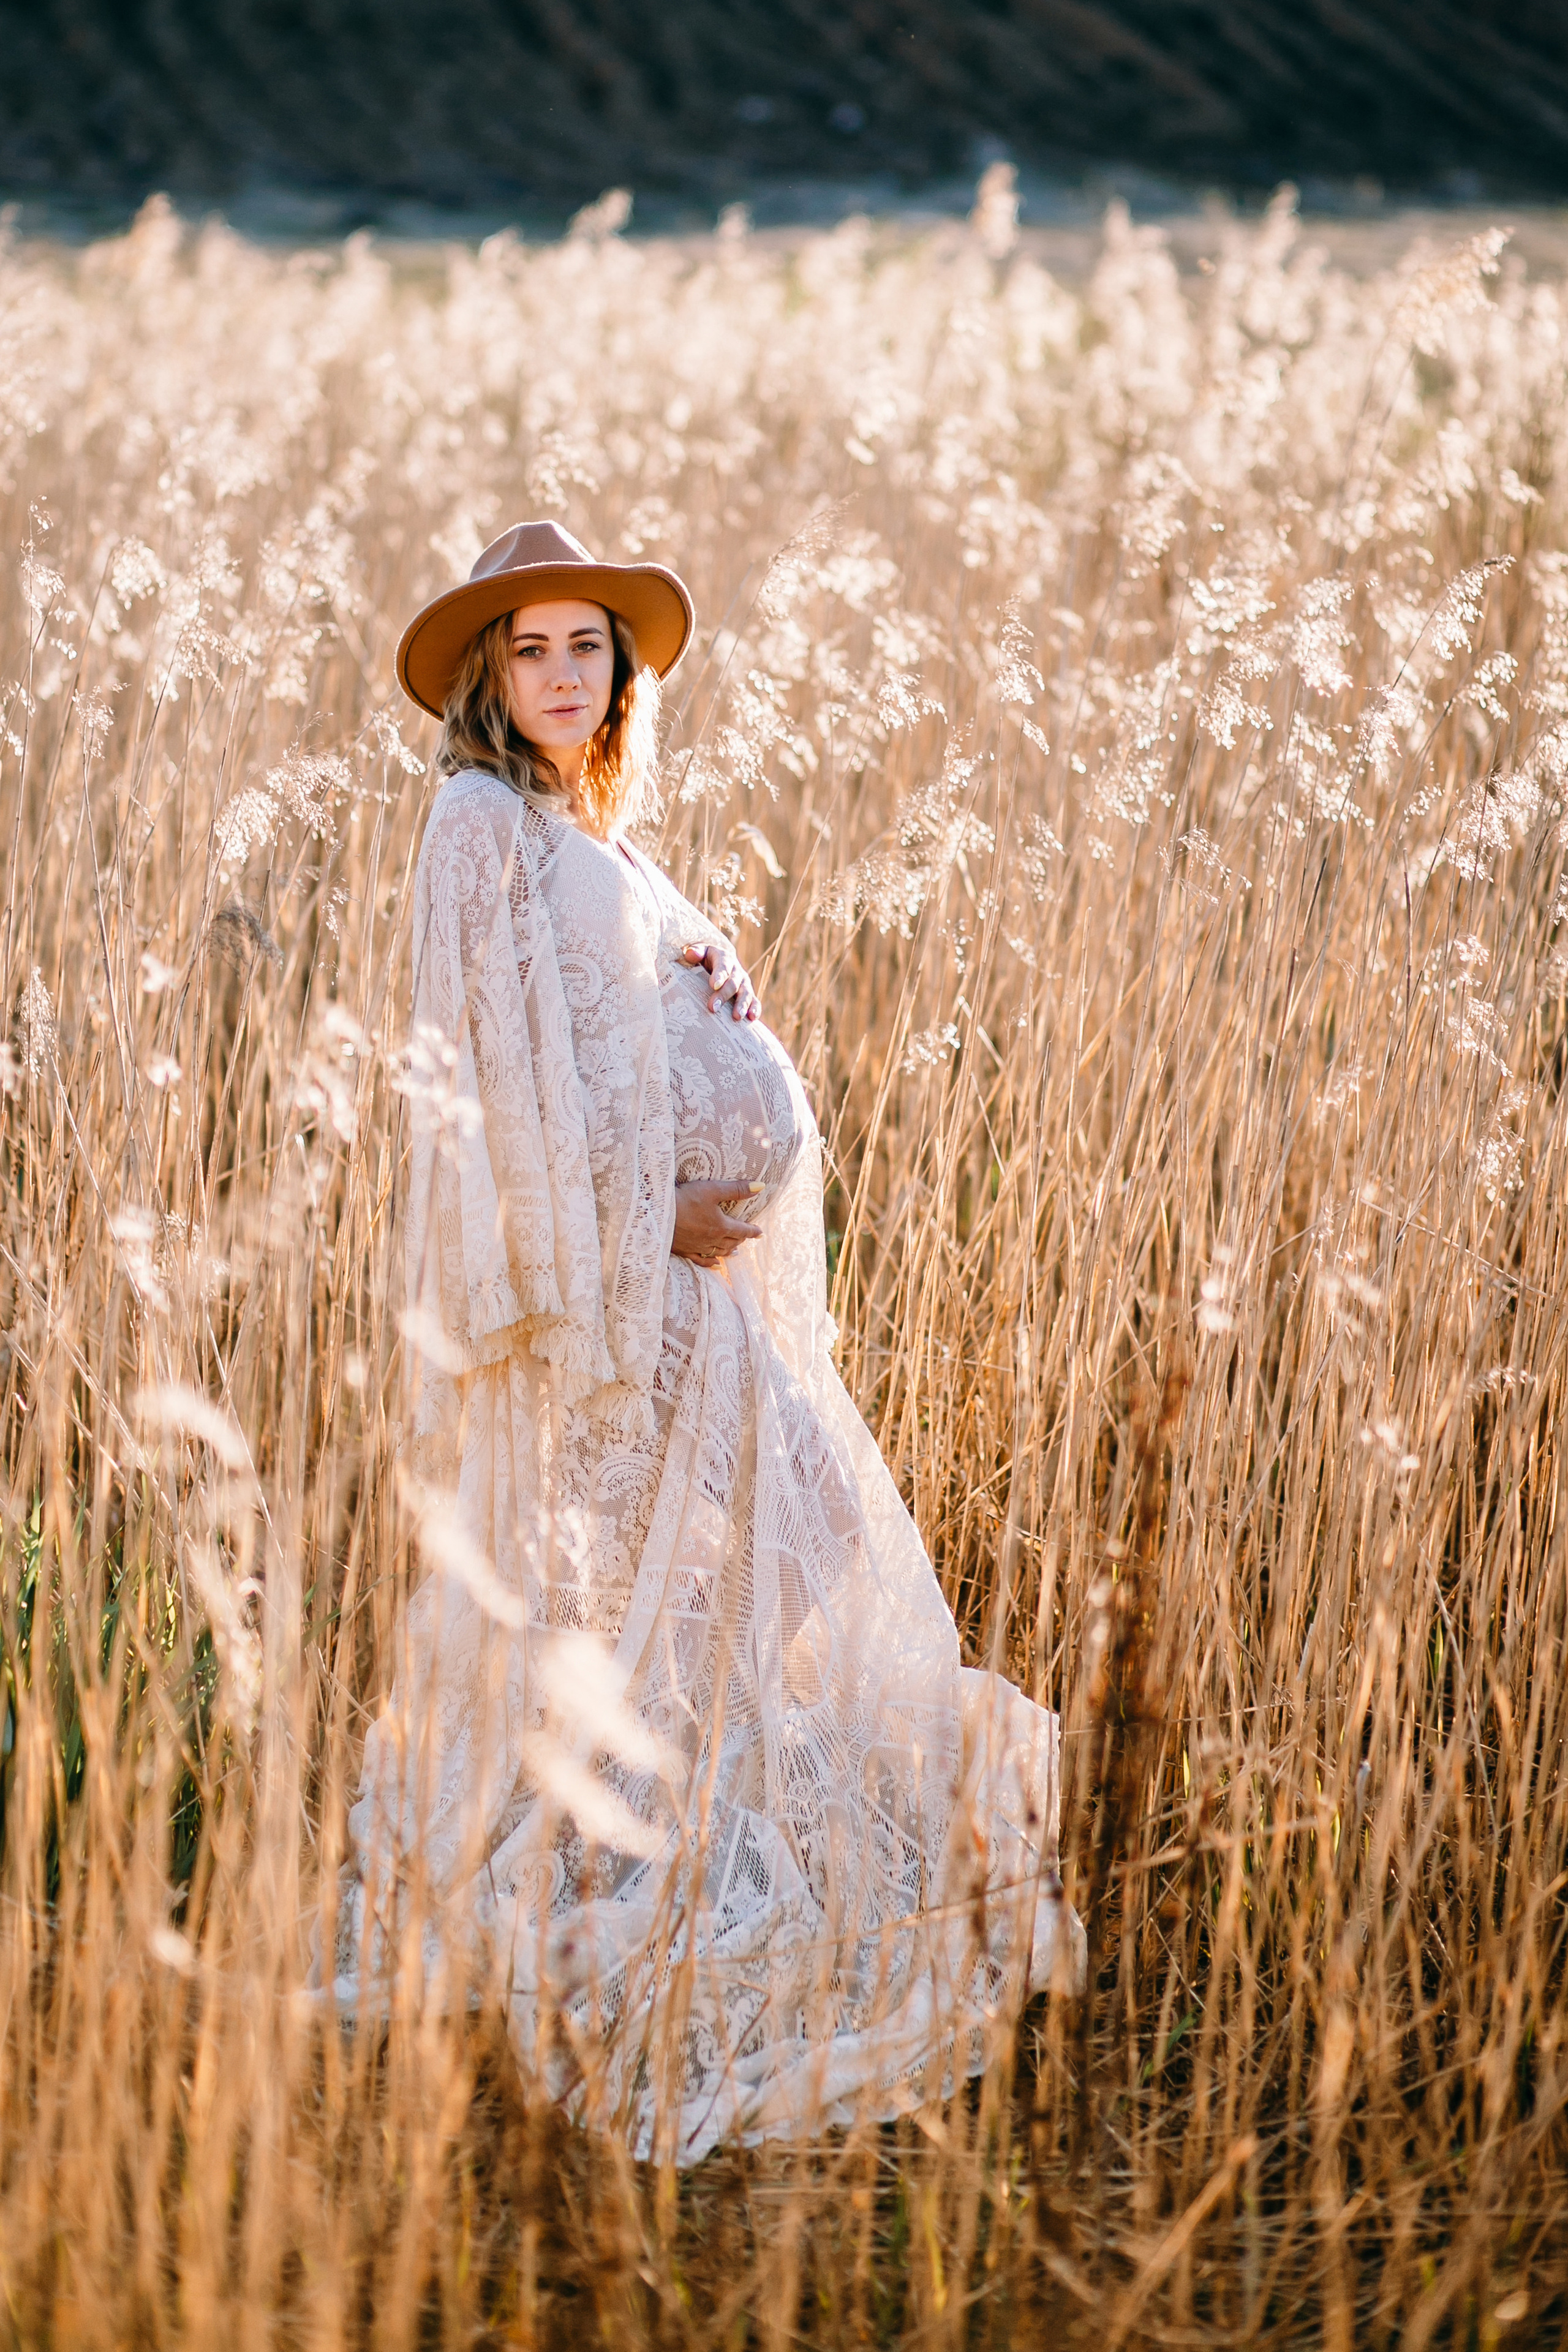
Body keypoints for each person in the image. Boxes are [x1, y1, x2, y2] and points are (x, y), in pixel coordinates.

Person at [330, 520, 1084, 2165]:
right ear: (485, 676)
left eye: (583, 647)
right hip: (611, 1301)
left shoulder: (568, 824)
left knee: (759, 1565)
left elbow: (605, 1045)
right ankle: (620, 1876)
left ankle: (641, 1837)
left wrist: (713, 1014)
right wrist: (644, 1221)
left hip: (669, 1291)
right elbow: (495, 1098)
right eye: (526, 651)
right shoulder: (471, 823)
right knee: (771, 1559)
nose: (557, 675)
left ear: (617, 671)